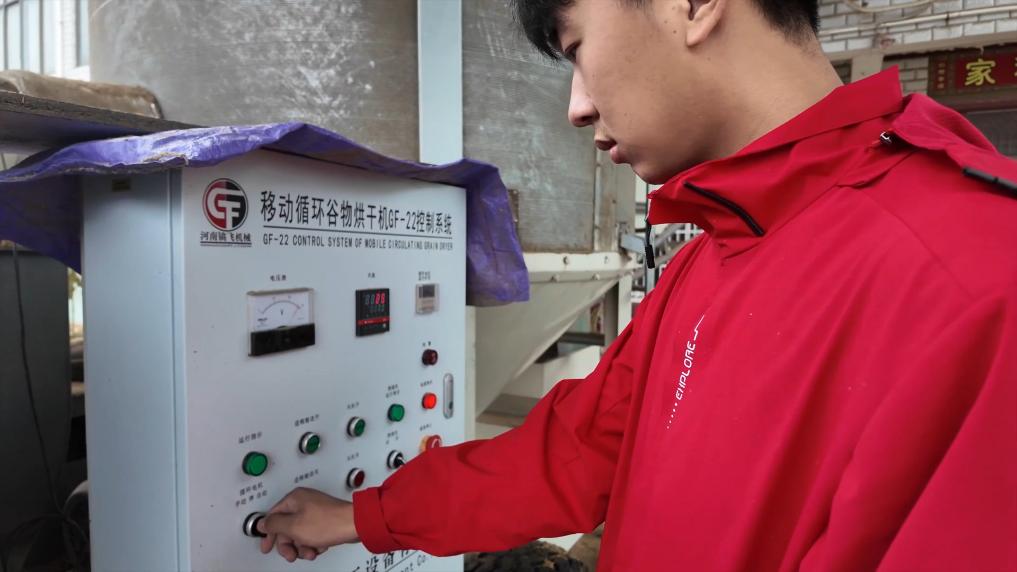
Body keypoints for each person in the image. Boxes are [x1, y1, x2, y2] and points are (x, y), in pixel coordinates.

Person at [257, 0, 1017, 569]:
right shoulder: (715, 254)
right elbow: (577, 452)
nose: (577, 106)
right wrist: (362, 516)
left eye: (577, 48)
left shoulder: (976, 279)